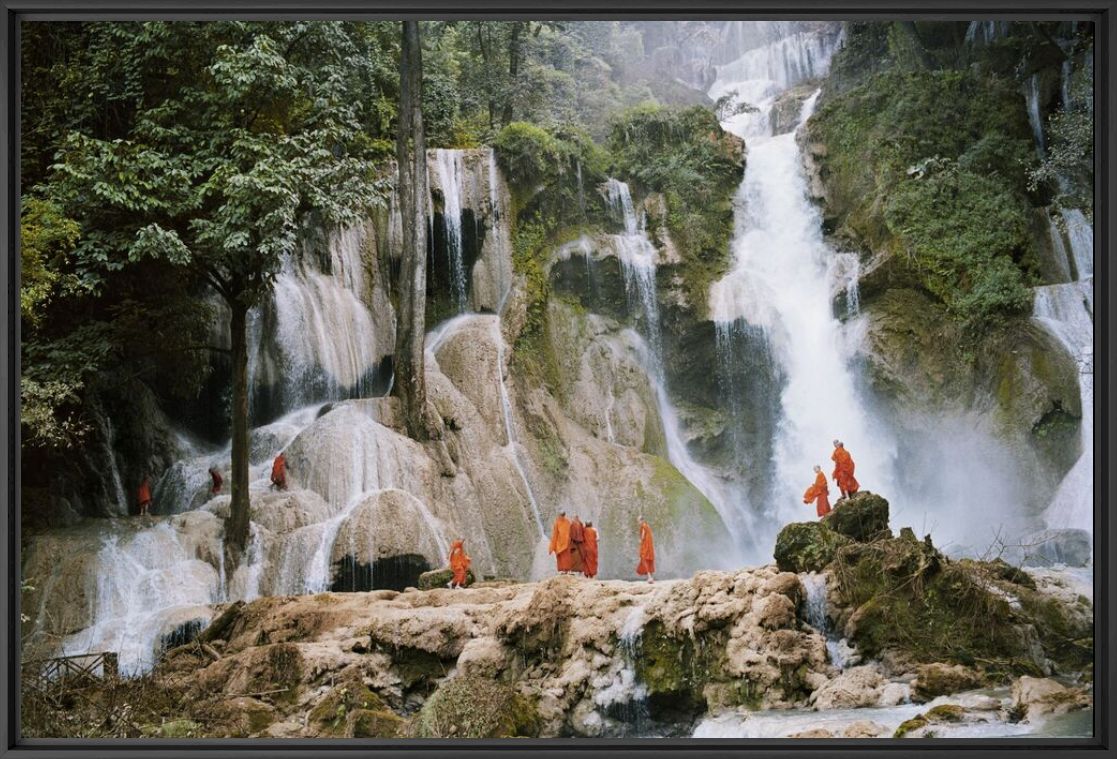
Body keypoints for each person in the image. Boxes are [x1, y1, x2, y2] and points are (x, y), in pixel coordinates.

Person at [636, 518, 655, 583]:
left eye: (639, 521)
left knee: (644, 559)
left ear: (642, 520)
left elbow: (643, 536)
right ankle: (651, 577)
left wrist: (640, 541)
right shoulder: (647, 526)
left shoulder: (643, 526)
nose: (638, 522)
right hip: (649, 546)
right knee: (648, 560)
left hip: (645, 546)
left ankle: (649, 577)